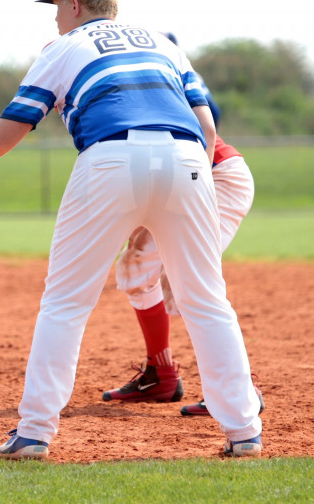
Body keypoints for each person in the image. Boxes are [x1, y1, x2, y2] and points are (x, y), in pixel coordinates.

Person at [0, 0, 263, 459]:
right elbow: (206, 127)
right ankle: (244, 430)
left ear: (73, 5)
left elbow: (11, 129)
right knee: (207, 299)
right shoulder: (163, 44)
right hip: (188, 159)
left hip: (109, 158)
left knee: (66, 301)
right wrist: (191, 185)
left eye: (56, 7)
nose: (55, 18)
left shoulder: (63, 47)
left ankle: (34, 432)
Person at [102, 66, 263, 417]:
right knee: (138, 270)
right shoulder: (102, 97)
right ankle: (160, 374)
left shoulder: (118, 94)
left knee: (189, 280)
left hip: (214, 178)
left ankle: (239, 389)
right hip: (180, 180)